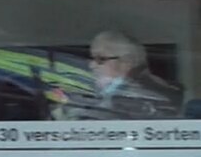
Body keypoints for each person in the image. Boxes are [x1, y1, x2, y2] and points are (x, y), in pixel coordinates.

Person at [55, 30, 183, 119]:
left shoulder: (142, 98)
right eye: (92, 58)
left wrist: (67, 113)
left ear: (126, 62)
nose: (91, 65)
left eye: (100, 59)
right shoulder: (102, 93)